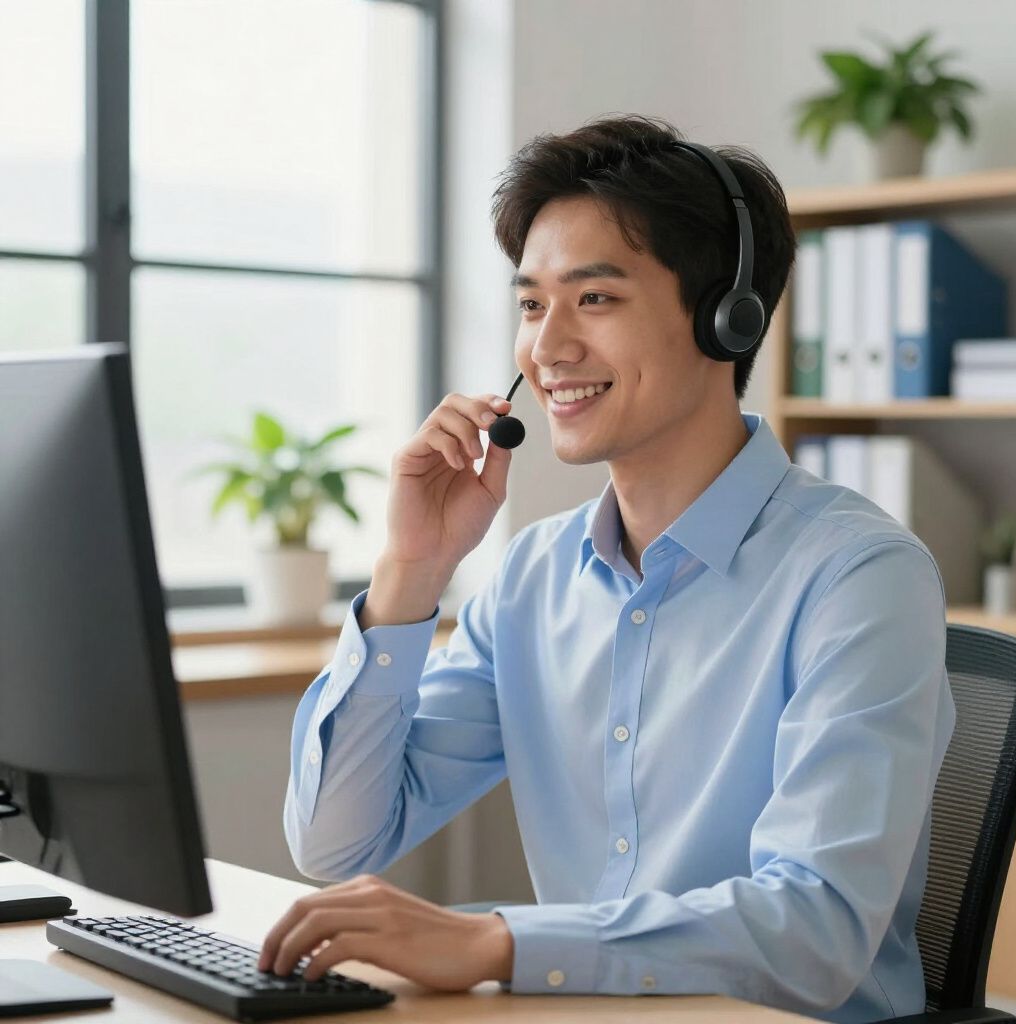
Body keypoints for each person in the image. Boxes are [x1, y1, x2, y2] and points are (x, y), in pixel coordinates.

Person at [258, 114, 955, 1024]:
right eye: (530, 303)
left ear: (725, 316)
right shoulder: (532, 578)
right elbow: (336, 839)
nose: (546, 348)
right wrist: (410, 573)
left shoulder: (859, 578)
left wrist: (500, 943)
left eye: (594, 300)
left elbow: (813, 928)